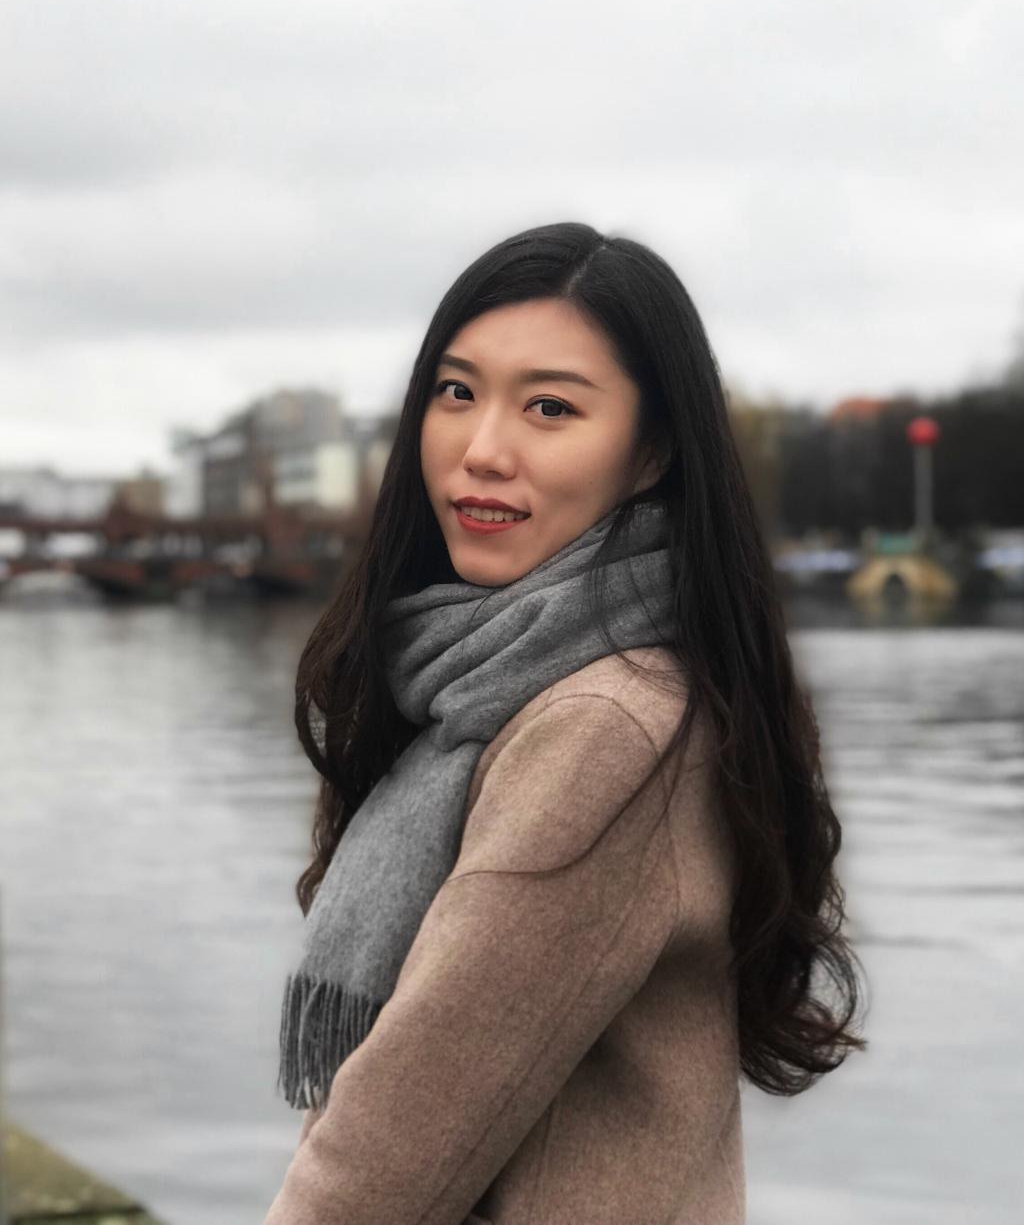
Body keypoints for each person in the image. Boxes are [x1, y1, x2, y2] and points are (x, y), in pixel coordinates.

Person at [262, 221, 868, 1225]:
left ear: (651, 452)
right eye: (456, 392)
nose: (482, 449)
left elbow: (398, 1140)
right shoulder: (496, 688)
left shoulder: (603, 726)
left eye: (550, 407)